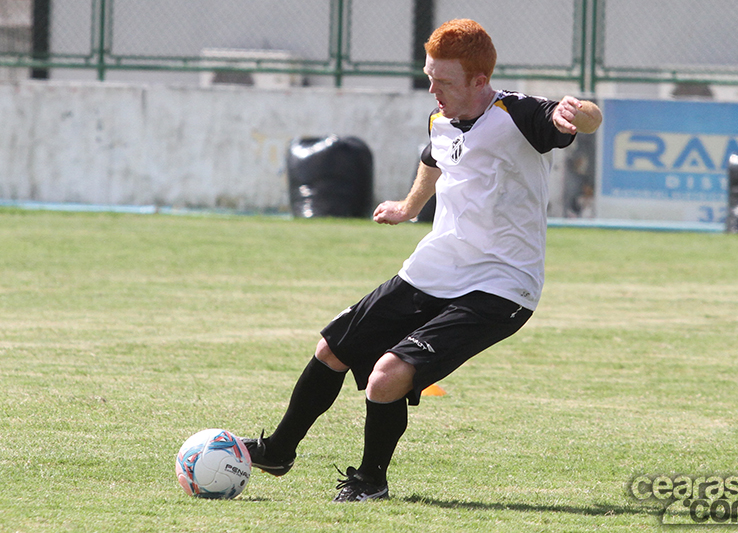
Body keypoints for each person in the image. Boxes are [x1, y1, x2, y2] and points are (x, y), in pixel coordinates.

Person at [243, 18, 602, 502]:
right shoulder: (442, 116)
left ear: (479, 80)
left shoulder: (520, 115)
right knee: (332, 348)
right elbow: (434, 157)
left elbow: (587, 120)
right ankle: (278, 450)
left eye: (443, 80)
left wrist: (578, 113)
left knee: (387, 375)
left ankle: (370, 482)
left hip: (501, 286)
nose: (431, 88)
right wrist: (409, 208)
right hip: (436, 268)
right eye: (429, 75)